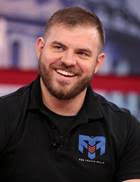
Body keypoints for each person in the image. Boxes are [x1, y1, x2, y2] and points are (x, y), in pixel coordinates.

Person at [0, 7, 140, 182]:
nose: (67, 61)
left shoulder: (126, 129)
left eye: (82, 53)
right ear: (40, 48)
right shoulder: (4, 115)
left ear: (98, 63)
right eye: (59, 47)